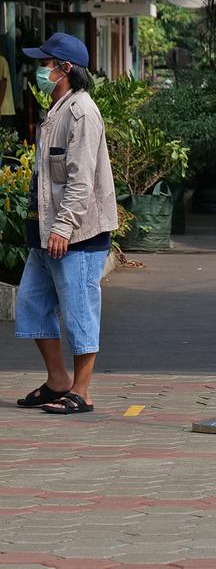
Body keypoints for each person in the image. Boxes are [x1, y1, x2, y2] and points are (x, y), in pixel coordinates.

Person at [13, 33, 118, 414]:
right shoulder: (56, 110)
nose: (41, 70)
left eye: (46, 64)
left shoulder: (82, 113)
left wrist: (62, 227)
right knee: (31, 306)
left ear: (65, 69)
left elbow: (81, 180)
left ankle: (83, 392)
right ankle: (58, 381)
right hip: (45, 234)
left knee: (78, 312)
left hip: (77, 235)